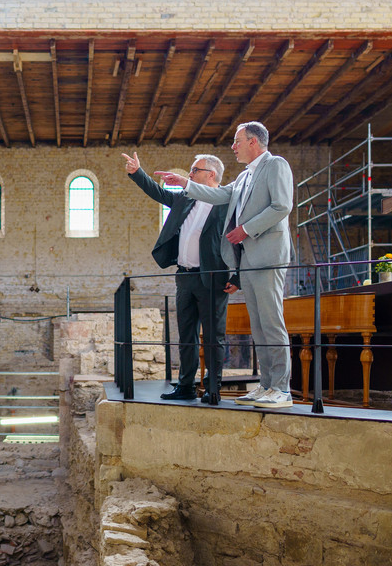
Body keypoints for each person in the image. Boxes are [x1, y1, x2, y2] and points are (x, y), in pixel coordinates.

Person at [159, 121, 294, 409]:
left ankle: (282, 389)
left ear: (254, 142)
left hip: (269, 257)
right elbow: (219, 195)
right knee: (258, 326)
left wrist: (246, 229)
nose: (233, 146)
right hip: (249, 260)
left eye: (237, 141)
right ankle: (266, 386)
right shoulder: (245, 177)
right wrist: (186, 183)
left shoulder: (276, 165)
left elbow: (282, 206)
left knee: (272, 324)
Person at [122, 151, 238, 405]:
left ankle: (212, 388)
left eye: (195, 170)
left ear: (212, 175)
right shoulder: (187, 199)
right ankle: (185, 385)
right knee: (185, 336)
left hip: (212, 278)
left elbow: (240, 240)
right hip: (184, 278)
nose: (191, 174)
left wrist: (238, 275)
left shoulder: (226, 204)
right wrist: (137, 173)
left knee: (213, 337)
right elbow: (160, 194)